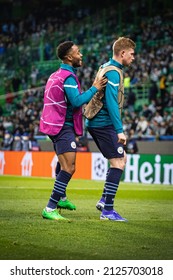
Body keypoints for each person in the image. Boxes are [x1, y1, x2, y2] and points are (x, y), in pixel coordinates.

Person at [39, 41, 107, 221]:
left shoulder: (55, 75)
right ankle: (50, 207)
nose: (81, 55)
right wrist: (95, 87)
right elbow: (76, 101)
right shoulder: (68, 77)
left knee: (62, 163)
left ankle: (61, 198)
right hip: (62, 126)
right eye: (78, 52)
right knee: (70, 167)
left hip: (53, 124)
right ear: (69, 57)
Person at [85, 37, 136, 222]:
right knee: (118, 163)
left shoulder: (105, 66)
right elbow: (111, 101)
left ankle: (104, 200)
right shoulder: (114, 72)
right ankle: (108, 210)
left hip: (96, 122)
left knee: (121, 159)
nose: (133, 58)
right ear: (122, 53)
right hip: (103, 123)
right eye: (131, 54)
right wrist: (119, 130)